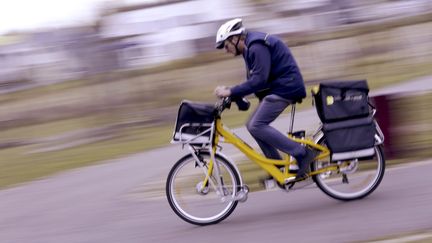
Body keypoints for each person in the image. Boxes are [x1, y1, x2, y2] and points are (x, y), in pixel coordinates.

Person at [213, 18, 315, 181]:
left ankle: (301, 153)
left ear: (234, 38)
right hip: (278, 88)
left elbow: (259, 80)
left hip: (286, 88)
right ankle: (276, 167)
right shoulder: (249, 49)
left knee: (256, 125)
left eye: (226, 45)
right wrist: (235, 95)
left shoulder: (256, 46)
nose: (226, 50)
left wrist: (231, 91)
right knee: (251, 124)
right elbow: (255, 82)